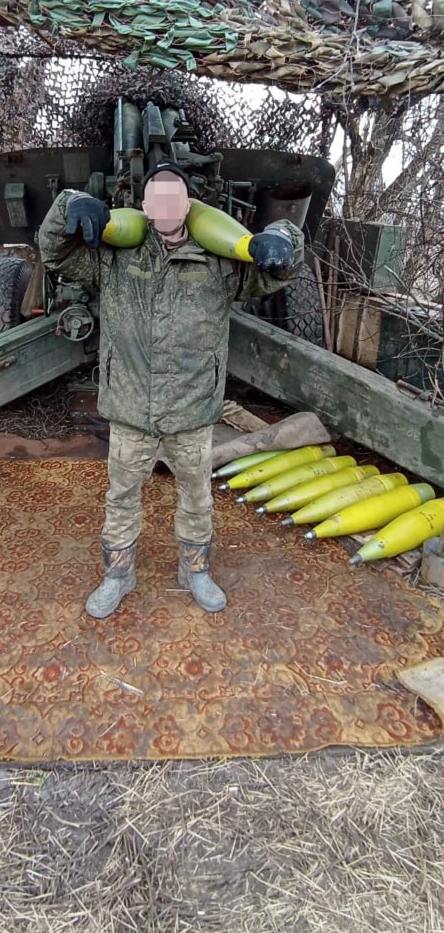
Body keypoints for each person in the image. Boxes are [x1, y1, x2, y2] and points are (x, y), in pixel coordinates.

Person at [38, 161, 304, 619]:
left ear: (189, 205)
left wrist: (284, 236)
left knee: (197, 497)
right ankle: (118, 575)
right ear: (143, 206)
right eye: (155, 196)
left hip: (191, 410)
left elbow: (276, 272)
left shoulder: (220, 261)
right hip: (130, 408)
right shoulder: (114, 257)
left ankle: (194, 571)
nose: (164, 204)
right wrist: (69, 205)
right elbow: (54, 252)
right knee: (121, 496)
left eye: (173, 195)